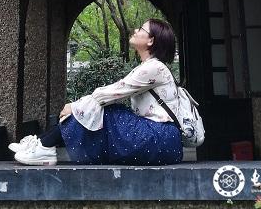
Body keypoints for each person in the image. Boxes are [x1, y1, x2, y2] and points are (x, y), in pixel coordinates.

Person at [10, 18, 182, 166]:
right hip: (162, 139)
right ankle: (42, 143)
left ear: (150, 40)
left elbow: (111, 93)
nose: (136, 30)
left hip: (161, 138)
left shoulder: (154, 68)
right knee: (104, 109)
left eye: (141, 29)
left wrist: (74, 106)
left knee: (107, 111)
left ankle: (44, 145)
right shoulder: (150, 66)